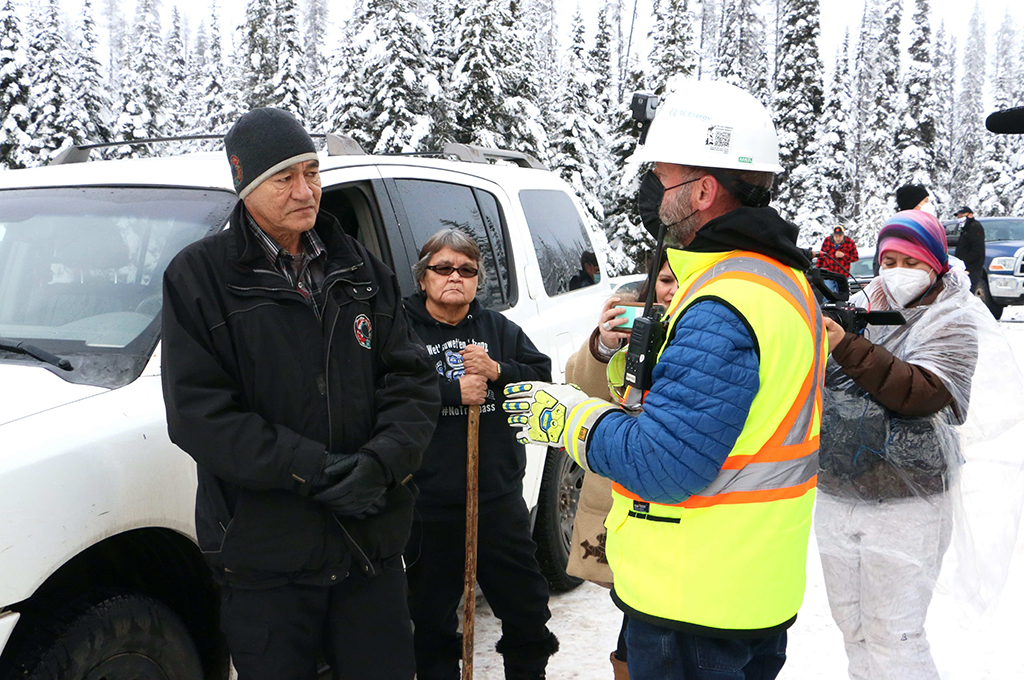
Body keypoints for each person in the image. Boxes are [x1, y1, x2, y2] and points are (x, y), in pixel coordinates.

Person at [503, 79, 826, 680]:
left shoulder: (723, 302)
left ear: (704, 191)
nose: (653, 194)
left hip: (696, 604)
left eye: (663, 179)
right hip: (745, 588)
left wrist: (567, 417)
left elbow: (665, 464)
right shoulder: (778, 282)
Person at [161, 108, 440, 680]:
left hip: (369, 547)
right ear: (246, 187)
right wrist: (313, 469)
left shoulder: (361, 268)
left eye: (312, 172)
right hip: (267, 560)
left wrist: (381, 464)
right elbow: (199, 415)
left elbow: (411, 380)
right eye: (284, 177)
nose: (306, 189)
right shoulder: (199, 279)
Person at [816, 210, 981, 680]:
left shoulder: (955, 319)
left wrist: (845, 345)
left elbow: (921, 393)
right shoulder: (859, 305)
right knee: (853, 627)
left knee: (896, 634)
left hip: (911, 498)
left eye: (909, 260)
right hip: (839, 488)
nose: (896, 269)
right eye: (888, 258)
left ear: (935, 264)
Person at [402, 229, 558, 680]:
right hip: (429, 504)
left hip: (496, 502)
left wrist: (497, 371)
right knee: (430, 621)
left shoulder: (498, 330)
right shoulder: (402, 330)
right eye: (443, 267)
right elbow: (385, 391)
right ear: (424, 276)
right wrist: (451, 392)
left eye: (467, 270)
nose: (455, 277)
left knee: (528, 612)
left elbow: (541, 379)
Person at [564, 251, 678, 680]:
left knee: (654, 620)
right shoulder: (635, 325)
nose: (671, 290)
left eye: (679, 279)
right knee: (635, 609)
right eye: (664, 280)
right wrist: (605, 346)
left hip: (682, 505)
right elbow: (582, 388)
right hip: (623, 499)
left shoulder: (708, 328)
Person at [953, 205, 985, 291]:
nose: (960, 218)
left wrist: (965, 262)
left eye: (962, 216)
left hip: (971, 268)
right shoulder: (965, 229)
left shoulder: (975, 227)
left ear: (970, 215)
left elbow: (978, 249)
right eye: (958, 216)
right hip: (964, 268)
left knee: (969, 292)